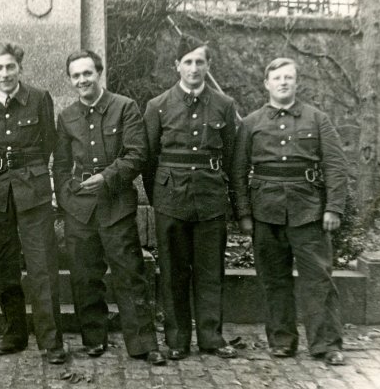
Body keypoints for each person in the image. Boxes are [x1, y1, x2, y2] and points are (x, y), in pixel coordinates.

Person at [231, 57, 347, 366]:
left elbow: (336, 166)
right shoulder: (251, 123)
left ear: (297, 83)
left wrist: (333, 207)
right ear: (266, 84)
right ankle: (282, 341)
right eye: (278, 78)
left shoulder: (317, 119)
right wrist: (243, 213)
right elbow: (238, 171)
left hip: (309, 209)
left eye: (289, 78)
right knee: (273, 278)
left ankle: (326, 344)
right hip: (264, 211)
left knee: (318, 278)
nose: (283, 82)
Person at [54, 49, 165, 365]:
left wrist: (107, 177)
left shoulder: (125, 108)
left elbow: (136, 154)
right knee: (84, 275)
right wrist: (66, 196)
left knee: (130, 275)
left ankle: (143, 342)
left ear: (99, 73)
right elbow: (61, 165)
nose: (82, 80)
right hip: (80, 208)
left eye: (87, 73)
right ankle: (93, 338)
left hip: (115, 205)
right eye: (75, 76)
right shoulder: (67, 117)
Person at [142, 36, 238, 360]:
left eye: (200, 62)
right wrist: (161, 196)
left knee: (211, 269)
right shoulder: (157, 105)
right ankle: (177, 339)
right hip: (170, 197)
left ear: (208, 66)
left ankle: (211, 337)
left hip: (210, 196)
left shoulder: (224, 105)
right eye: (188, 62)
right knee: (172, 272)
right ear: (176, 66)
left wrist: (234, 203)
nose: (194, 68)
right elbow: (149, 159)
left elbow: (232, 157)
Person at [0, 42, 66, 364]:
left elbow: (50, 142)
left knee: (42, 266)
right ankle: (14, 332)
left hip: (34, 190)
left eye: (10, 67)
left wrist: (36, 174)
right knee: (3, 265)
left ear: (19, 69)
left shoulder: (39, 99)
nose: (5, 74)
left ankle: (51, 340)